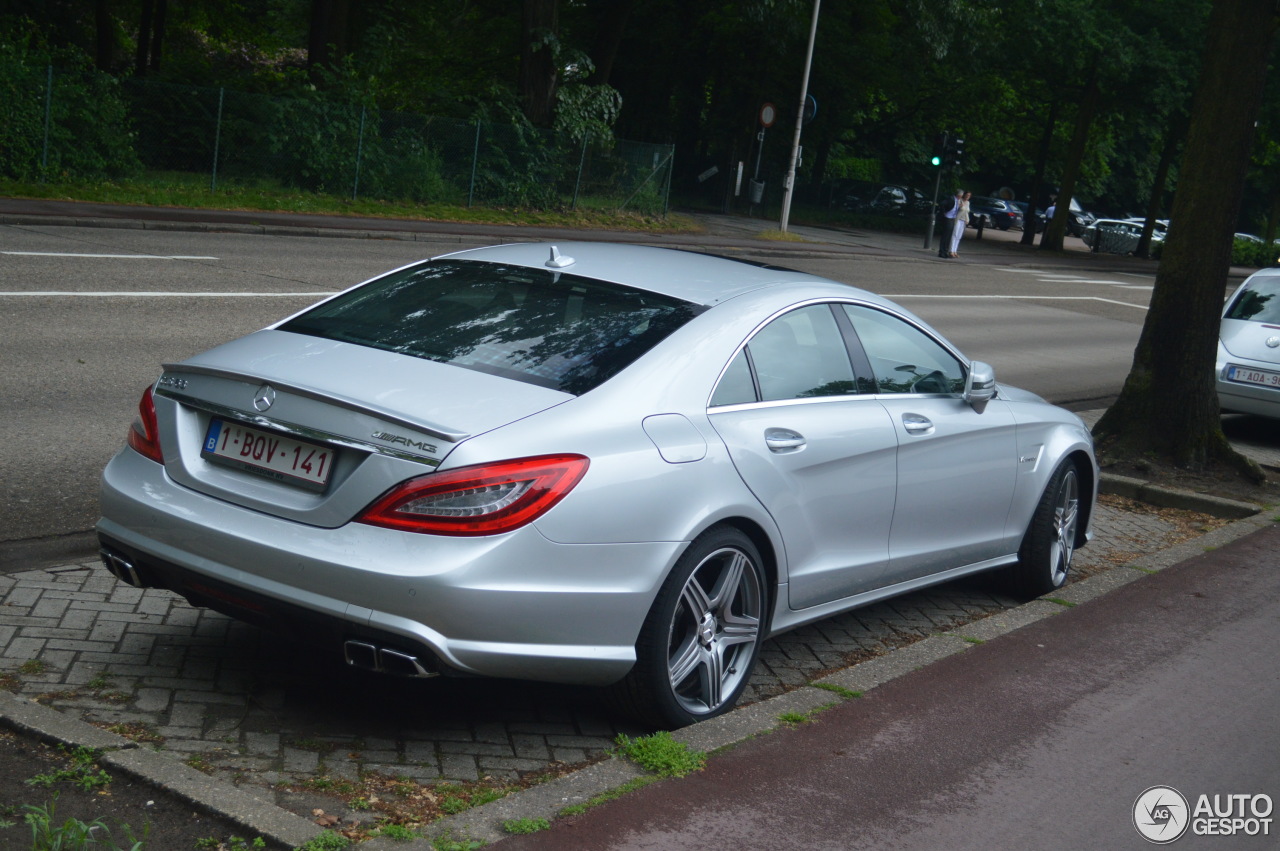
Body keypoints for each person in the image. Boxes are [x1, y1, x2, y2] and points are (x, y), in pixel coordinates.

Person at [937, 190, 962, 258]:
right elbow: (942, 204)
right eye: (960, 195)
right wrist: (943, 212)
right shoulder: (951, 199)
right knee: (945, 235)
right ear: (958, 195)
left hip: (952, 218)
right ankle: (942, 251)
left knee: (949, 236)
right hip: (948, 217)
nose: (961, 197)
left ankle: (945, 251)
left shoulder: (958, 200)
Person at [948, 191, 971, 257]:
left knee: (959, 236)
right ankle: (951, 250)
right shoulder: (959, 201)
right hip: (958, 219)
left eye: (969, 196)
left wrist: (967, 219)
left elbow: (966, 212)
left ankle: (955, 250)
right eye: (967, 195)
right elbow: (957, 209)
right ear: (964, 195)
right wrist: (960, 207)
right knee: (954, 234)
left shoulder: (968, 203)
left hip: (963, 221)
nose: (967, 197)